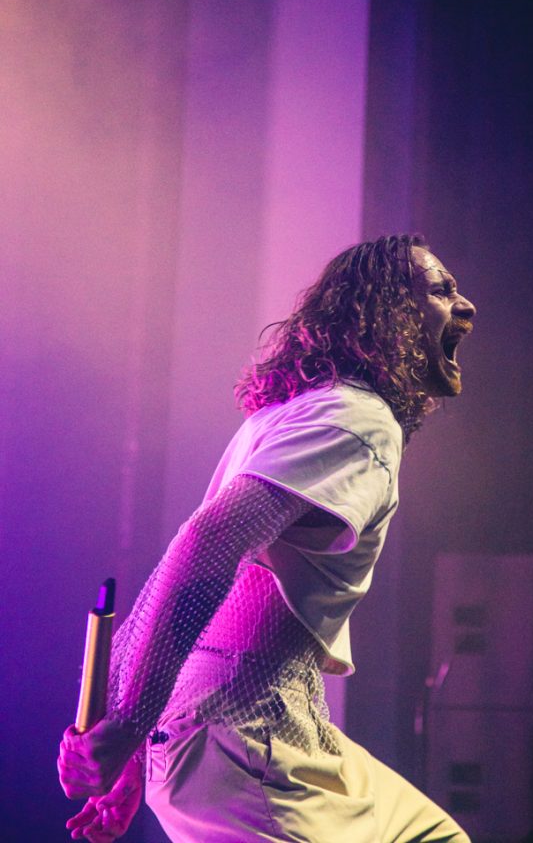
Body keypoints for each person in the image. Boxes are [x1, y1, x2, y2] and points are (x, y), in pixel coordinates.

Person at [58, 234, 476, 843]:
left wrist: (136, 741)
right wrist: (127, 726)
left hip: (251, 729)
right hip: (243, 739)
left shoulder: (296, 412)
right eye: (441, 290)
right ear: (391, 313)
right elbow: (205, 548)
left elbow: (220, 572)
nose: (465, 306)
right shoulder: (359, 420)